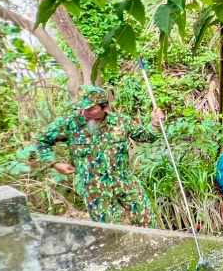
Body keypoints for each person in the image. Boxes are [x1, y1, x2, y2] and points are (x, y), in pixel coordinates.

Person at [35, 85, 163, 226]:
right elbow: (41, 141)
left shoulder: (121, 122)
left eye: (91, 109)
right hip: (94, 188)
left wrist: (155, 124)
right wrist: (55, 163)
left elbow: (146, 136)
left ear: (104, 108)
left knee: (148, 221)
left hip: (125, 181)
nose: (85, 113)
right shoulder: (71, 123)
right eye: (83, 108)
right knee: (110, 231)